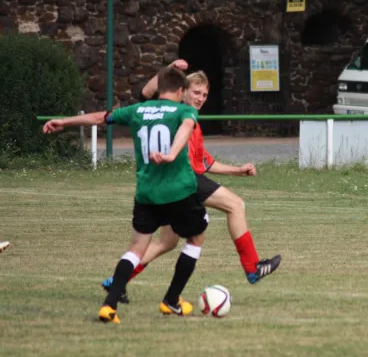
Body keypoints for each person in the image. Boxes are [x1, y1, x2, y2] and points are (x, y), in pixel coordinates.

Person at [102, 60, 281, 304]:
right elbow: (143, 94)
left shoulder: (191, 120)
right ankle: (252, 268)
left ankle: (116, 282)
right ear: (182, 91)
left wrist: (237, 170)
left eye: (205, 94)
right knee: (235, 205)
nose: (201, 98)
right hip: (184, 181)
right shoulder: (174, 114)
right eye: (196, 92)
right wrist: (169, 68)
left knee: (167, 242)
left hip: (177, 184)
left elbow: (204, 162)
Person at [44, 66, 208, 324]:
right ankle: (171, 300)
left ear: (159, 88)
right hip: (179, 191)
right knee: (196, 238)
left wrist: (65, 122)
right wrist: (172, 154)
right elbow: (186, 128)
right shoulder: (184, 110)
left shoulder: (137, 110)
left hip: (146, 192)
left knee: (136, 249)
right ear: (180, 90)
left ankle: (109, 306)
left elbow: (101, 118)